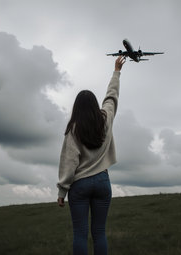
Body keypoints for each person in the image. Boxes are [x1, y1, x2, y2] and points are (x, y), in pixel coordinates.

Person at [57, 56, 126, 255]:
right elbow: (111, 97)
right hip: (103, 182)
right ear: (95, 104)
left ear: (76, 107)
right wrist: (116, 72)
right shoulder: (106, 118)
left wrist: (62, 191)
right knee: (99, 232)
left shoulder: (73, 129)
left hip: (80, 185)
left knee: (80, 234)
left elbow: (69, 162)